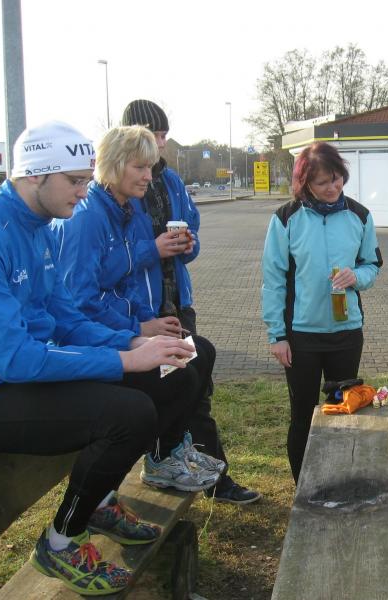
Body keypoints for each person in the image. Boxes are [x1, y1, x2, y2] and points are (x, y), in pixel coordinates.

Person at [0, 121, 201, 595]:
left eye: (87, 180)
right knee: (128, 412)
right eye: (74, 180)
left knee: (172, 373)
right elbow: (15, 360)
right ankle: (60, 541)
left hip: (26, 374)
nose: (84, 191)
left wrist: (131, 343)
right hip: (3, 387)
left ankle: (102, 501)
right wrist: (123, 360)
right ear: (33, 174)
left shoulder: (43, 227)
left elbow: (66, 318)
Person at [51, 125, 223, 494]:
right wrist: (138, 329)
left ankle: (169, 450)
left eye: (151, 167)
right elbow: (79, 302)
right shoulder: (87, 218)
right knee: (179, 374)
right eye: (140, 167)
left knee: (200, 351)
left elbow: (130, 278)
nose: (148, 176)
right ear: (114, 165)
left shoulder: (127, 210)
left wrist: (149, 319)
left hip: (128, 329)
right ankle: (159, 459)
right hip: (95, 346)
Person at [120, 99, 260, 505]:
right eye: (154, 135)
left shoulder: (172, 181)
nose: (161, 143)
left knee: (196, 388)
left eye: (164, 135)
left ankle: (213, 476)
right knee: (174, 389)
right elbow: (113, 259)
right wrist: (153, 249)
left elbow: (191, 232)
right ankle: (168, 464)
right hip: (143, 313)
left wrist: (187, 246)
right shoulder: (120, 190)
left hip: (177, 304)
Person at [262, 142, 382, 483]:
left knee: (342, 410)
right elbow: (273, 280)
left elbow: (372, 264)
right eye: (322, 182)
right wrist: (277, 335)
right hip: (301, 337)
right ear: (305, 184)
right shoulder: (286, 218)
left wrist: (356, 277)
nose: (332, 188)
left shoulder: (360, 216)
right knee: (302, 415)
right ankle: (304, 487)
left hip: (346, 333)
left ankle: (338, 481)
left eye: (337, 179)